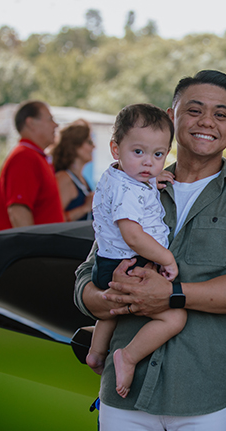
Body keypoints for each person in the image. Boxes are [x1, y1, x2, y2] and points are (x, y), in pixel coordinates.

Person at [73, 70, 226, 431]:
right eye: (194, 110)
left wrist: (172, 295)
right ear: (172, 117)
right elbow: (87, 276)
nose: (207, 122)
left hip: (208, 399)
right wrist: (107, 298)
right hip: (125, 400)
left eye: (220, 114)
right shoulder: (131, 185)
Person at [86, 104, 185, 400]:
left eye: (158, 154)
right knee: (174, 319)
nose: (148, 162)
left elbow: (136, 186)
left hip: (108, 262)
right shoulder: (127, 191)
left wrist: (153, 181)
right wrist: (166, 258)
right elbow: (132, 235)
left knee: (111, 312)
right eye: (138, 152)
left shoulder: (121, 177)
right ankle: (128, 357)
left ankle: (95, 352)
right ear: (115, 149)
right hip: (130, 261)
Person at [0, 100, 64, 232]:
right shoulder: (24, 157)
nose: (56, 125)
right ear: (31, 123)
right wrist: (32, 244)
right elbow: (18, 210)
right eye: (50, 119)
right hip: (30, 244)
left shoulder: (35, 156)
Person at [51, 119, 95, 221]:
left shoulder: (82, 179)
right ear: (75, 146)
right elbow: (53, 220)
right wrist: (84, 208)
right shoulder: (64, 178)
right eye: (89, 142)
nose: (93, 147)